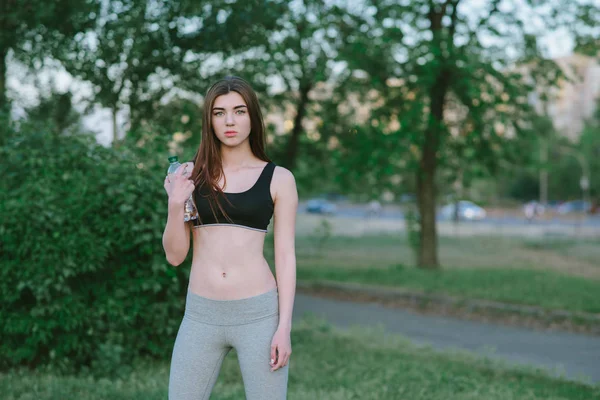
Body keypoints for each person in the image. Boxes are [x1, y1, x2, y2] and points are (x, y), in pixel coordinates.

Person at [162, 76, 298, 400]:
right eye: (219, 113)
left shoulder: (279, 179)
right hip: (201, 315)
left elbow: (285, 255)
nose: (230, 121)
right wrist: (174, 203)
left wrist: (284, 326)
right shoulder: (189, 176)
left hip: (258, 316)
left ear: (252, 116)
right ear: (209, 120)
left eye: (239, 111)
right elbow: (175, 255)